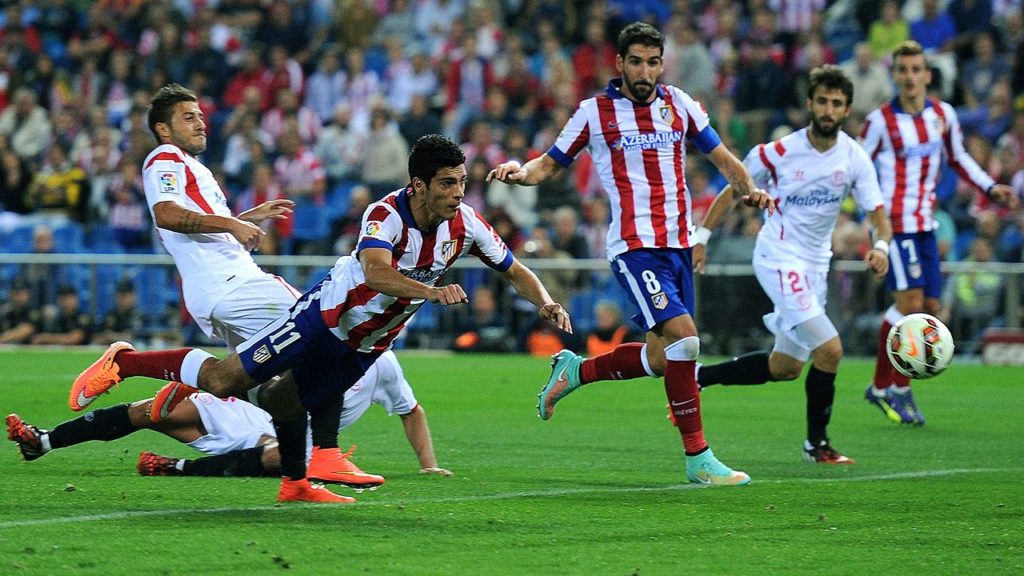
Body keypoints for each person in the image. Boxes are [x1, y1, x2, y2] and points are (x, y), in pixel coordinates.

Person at [72, 134, 573, 503]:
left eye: (462, 182)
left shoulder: (467, 225)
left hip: (365, 345)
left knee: (285, 400)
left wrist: (545, 302)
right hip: (320, 321)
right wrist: (430, 291)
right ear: (418, 185)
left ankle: (295, 484)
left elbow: (514, 270)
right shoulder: (385, 215)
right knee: (225, 380)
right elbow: (376, 273)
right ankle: (128, 362)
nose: (458, 193)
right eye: (447, 183)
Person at [487, 22, 773, 487]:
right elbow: (549, 163)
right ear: (620, 63)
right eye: (636, 62)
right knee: (686, 341)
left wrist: (751, 189)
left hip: (678, 246)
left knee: (662, 359)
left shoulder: (679, 104)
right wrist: (521, 172)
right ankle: (698, 457)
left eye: (653, 62)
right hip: (634, 248)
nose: (645, 71)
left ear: (662, 64)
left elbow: (724, 159)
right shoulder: (594, 112)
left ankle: (577, 371)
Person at [83, 83, 368, 502]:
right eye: (188, 117)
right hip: (235, 286)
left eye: (200, 116)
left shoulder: (192, 168)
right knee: (329, 329)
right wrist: (233, 224)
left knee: (254, 384)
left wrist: (245, 217)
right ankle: (325, 454)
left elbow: (202, 227)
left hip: (223, 287)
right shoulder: (164, 158)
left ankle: (296, 482)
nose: (200, 123)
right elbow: (166, 215)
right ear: (163, 129)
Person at [694, 66, 893, 464]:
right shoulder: (778, 151)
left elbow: (877, 214)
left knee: (785, 366)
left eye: (837, 103)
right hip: (778, 257)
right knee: (830, 350)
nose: (828, 110)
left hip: (816, 267)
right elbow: (733, 191)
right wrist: (702, 238)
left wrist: (882, 247)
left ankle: (699, 376)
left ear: (847, 109)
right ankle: (816, 445)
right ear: (809, 104)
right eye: (822, 101)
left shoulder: (854, 157)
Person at [860, 41, 1018, 425]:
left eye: (916, 69)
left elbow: (959, 158)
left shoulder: (942, 115)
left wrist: (989, 187)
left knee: (929, 307)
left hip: (925, 224)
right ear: (895, 76)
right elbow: (858, 166)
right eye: (903, 70)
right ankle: (894, 387)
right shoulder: (880, 121)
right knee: (910, 303)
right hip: (894, 226)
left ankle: (883, 386)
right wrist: (869, 218)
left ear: (927, 75)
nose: (910, 77)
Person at [8, 351, 451, 479]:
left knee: (284, 457)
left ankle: (175, 469)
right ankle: (43, 441)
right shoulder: (314, 336)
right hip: (250, 411)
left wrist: (428, 465)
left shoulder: (383, 365)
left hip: (297, 437)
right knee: (152, 413)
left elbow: (410, 410)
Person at [0, 278, 41, 344]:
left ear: (27, 295)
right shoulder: (7, 313)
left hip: (29, 348)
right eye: (15, 294)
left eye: (20, 294)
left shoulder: (32, 311)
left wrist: (3, 338)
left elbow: (26, 330)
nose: (17, 298)